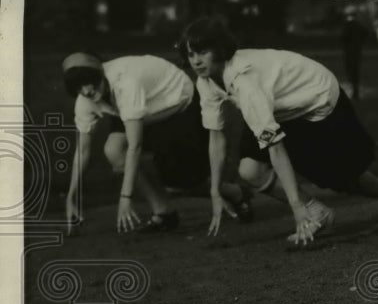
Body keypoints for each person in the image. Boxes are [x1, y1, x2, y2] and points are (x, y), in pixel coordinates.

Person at [179, 16, 378, 245]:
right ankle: (317, 211)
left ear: (220, 48)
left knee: (342, 177)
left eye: (202, 52)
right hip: (278, 105)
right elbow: (216, 137)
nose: (196, 61)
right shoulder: (205, 81)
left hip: (316, 99)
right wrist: (216, 191)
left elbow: (275, 148)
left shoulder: (245, 83)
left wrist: (295, 207)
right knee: (250, 170)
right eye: (191, 54)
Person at [62, 51, 250, 235]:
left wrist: (125, 197)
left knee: (180, 182)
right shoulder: (86, 100)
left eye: (89, 82)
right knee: (114, 150)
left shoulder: (126, 83)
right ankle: (163, 213)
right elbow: (83, 150)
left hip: (175, 102)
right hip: (138, 109)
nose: (87, 90)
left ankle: (235, 193)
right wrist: (71, 197)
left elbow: (135, 147)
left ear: (100, 73)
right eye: (79, 87)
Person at [339, 7, 368, 100]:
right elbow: (365, 34)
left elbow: (343, 37)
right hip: (357, 51)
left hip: (349, 51)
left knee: (350, 70)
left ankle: (354, 90)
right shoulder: (359, 25)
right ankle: (356, 91)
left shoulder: (347, 25)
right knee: (356, 70)